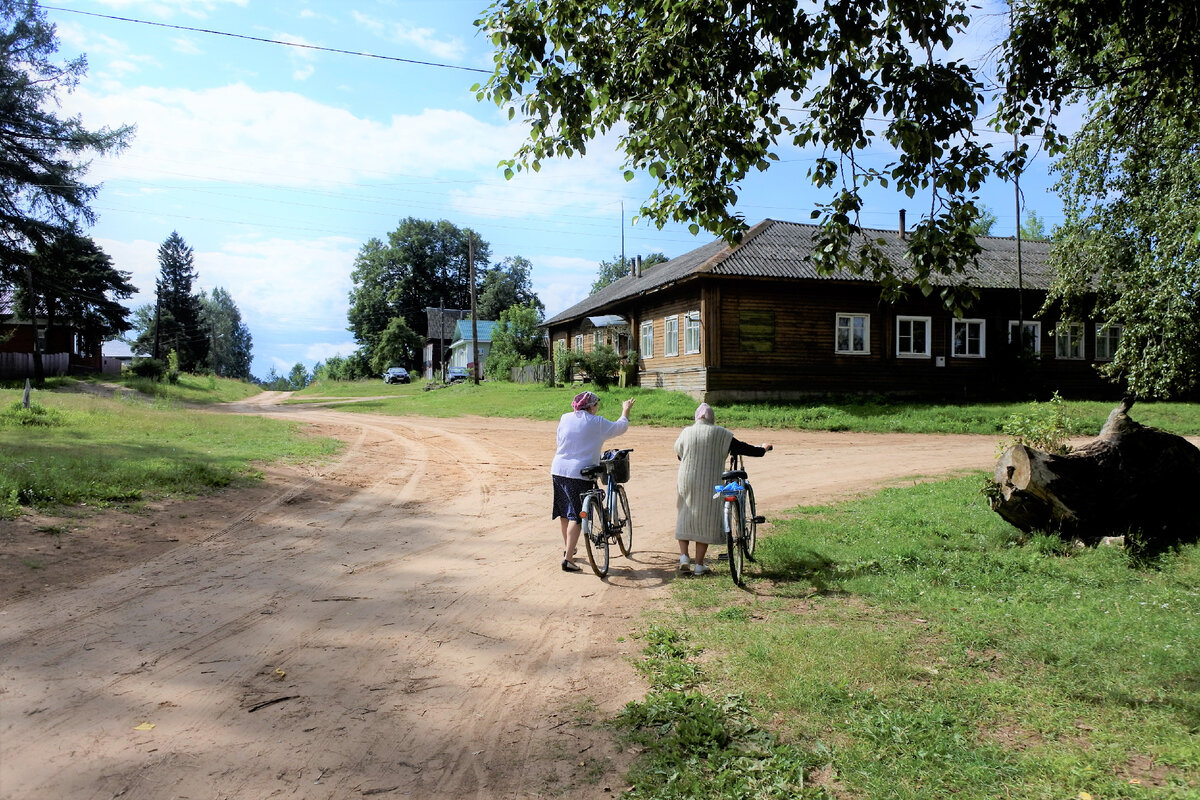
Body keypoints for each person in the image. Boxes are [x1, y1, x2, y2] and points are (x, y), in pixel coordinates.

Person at [674, 402, 772, 576]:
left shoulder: (686, 432)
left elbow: (679, 454)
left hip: (686, 478)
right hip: (709, 480)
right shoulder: (722, 434)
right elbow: (744, 448)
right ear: (712, 419)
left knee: (685, 512)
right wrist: (762, 449)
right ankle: (698, 565)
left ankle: (683, 557)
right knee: (705, 517)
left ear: (696, 418)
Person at [551, 390, 635, 571]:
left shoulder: (565, 417)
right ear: (591, 407)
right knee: (577, 516)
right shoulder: (596, 422)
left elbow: (560, 440)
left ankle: (569, 548)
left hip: (558, 469)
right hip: (579, 473)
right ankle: (568, 560)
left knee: (565, 512)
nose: (597, 408)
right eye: (597, 405)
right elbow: (620, 427)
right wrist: (625, 411)